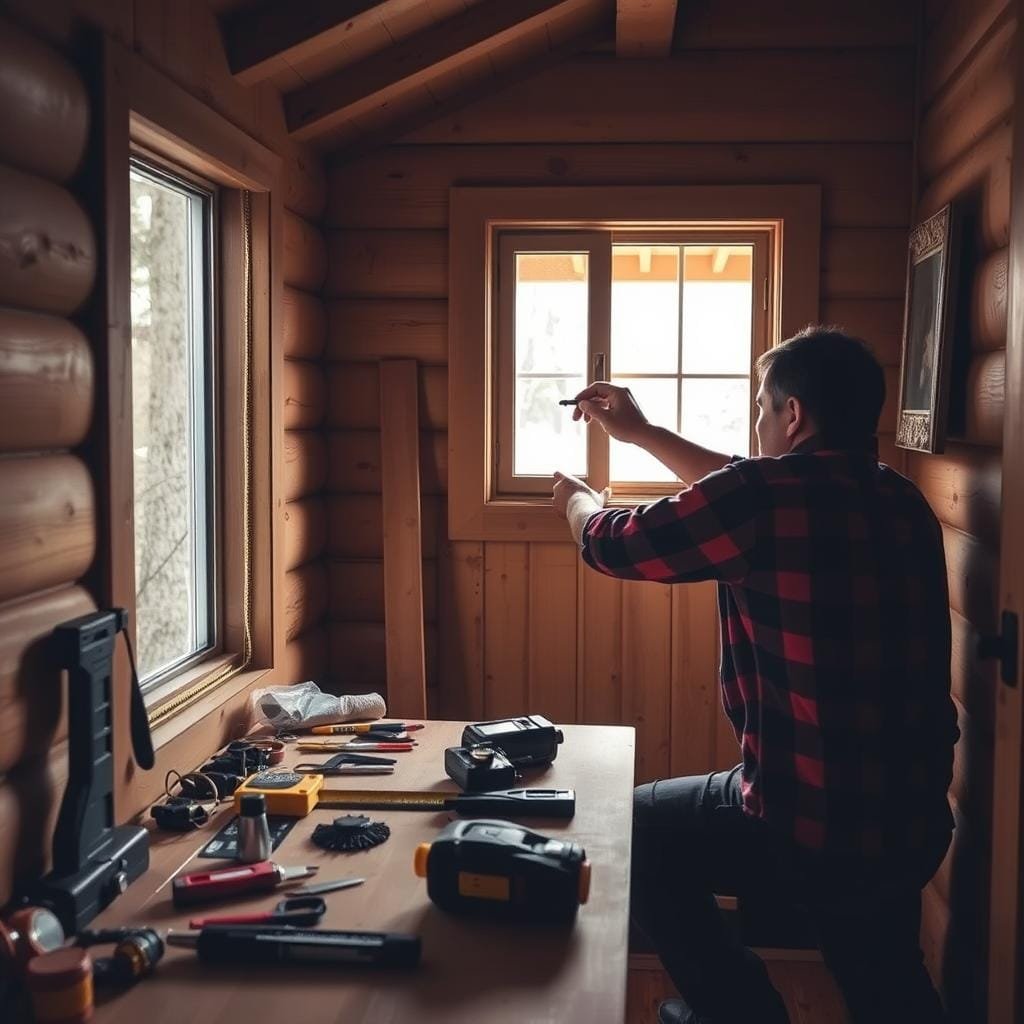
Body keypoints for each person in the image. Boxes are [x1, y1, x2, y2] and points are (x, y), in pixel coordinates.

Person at [551, 327, 958, 1024]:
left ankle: (737, 1011)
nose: (759, 424)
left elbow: (611, 544)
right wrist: (645, 434)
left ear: (793, 415)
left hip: (807, 820)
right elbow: (747, 483)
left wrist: (576, 499)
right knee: (884, 975)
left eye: (764, 408)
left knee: (636, 825)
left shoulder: (762, 499)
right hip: (911, 818)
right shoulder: (901, 499)